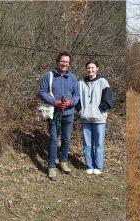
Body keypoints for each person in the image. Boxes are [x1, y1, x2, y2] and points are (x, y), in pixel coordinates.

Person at [38, 52, 81, 180]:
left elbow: (77, 95)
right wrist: (55, 102)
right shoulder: (49, 75)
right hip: (54, 113)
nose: (64, 64)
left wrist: (70, 102)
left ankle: (63, 161)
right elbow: (41, 92)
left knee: (66, 139)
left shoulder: (73, 78)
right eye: (63, 61)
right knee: (54, 140)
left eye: (67, 62)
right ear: (58, 61)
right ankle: (51, 166)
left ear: (69, 64)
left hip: (68, 113)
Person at [77, 60, 113, 175]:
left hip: (99, 119)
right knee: (87, 144)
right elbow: (76, 98)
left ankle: (98, 166)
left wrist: (98, 111)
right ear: (85, 69)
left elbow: (108, 100)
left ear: (97, 68)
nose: (90, 70)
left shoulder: (102, 82)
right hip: (85, 118)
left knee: (98, 144)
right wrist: (81, 110)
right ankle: (89, 165)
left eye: (92, 68)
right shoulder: (81, 83)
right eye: (88, 68)